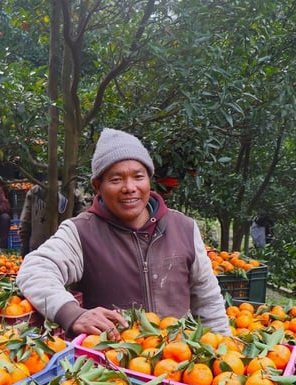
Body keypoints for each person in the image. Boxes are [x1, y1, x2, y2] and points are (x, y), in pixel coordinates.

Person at [16, 128, 230, 339]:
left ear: (149, 179)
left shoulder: (183, 227)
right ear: (98, 186)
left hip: (178, 361)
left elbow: (208, 300)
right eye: (116, 179)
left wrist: (223, 349)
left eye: (138, 176)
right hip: (108, 365)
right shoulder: (81, 232)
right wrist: (72, 313)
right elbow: (34, 271)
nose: (129, 187)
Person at [19, 182, 87, 256]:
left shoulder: (35, 191)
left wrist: (24, 247)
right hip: (66, 248)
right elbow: (83, 223)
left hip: (38, 248)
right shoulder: (73, 192)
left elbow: (25, 222)